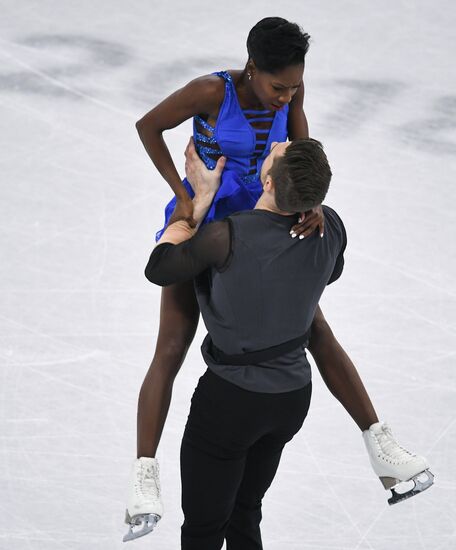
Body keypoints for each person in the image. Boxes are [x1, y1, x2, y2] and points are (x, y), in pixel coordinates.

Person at [123, 17, 432, 541]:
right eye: (277, 87)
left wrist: (307, 200)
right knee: (172, 344)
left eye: (293, 86)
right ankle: (144, 476)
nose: (285, 96)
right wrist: (181, 194)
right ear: (251, 69)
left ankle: (381, 445)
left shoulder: (291, 88)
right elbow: (148, 127)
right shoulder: (208, 91)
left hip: (266, 221)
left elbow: (301, 135)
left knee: (311, 329)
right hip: (206, 219)